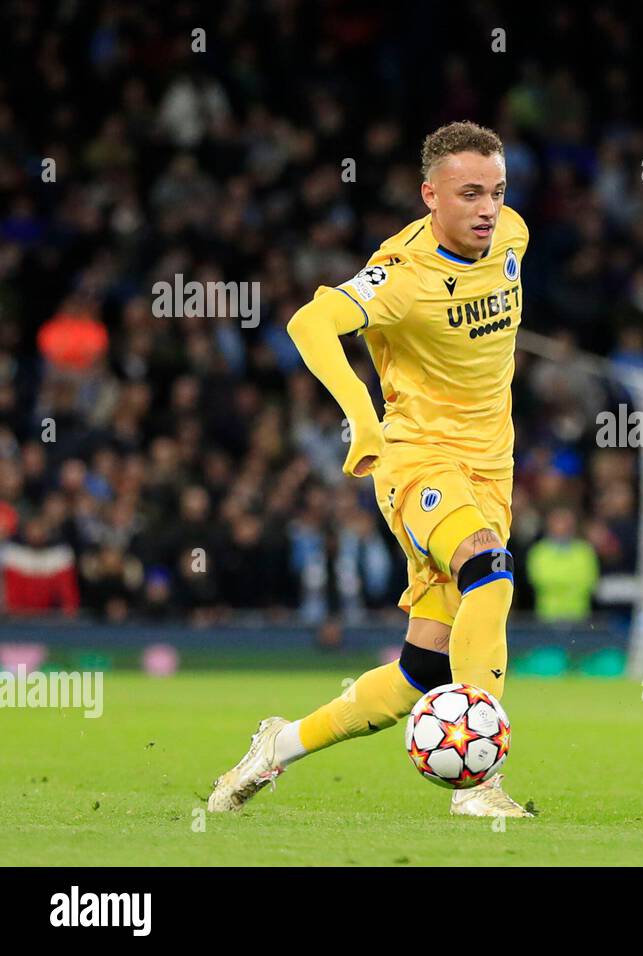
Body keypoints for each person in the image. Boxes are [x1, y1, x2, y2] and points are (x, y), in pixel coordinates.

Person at [208, 121, 532, 818]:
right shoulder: (401, 273)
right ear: (429, 196)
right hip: (417, 460)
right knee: (490, 569)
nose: (487, 209)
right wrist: (362, 414)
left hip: (492, 470)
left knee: (421, 674)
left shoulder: (514, 237)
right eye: (470, 193)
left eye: (498, 192)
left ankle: (279, 744)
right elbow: (307, 324)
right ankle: (480, 787)